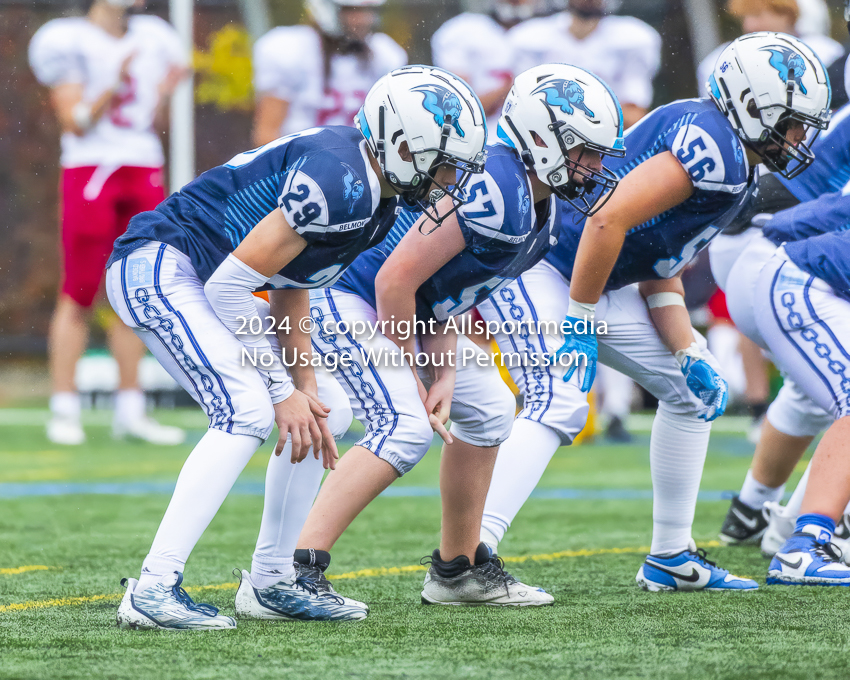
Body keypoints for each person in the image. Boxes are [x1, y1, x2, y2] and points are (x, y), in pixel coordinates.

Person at [108, 65, 488, 629]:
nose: (449, 183)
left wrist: (304, 388)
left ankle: (272, 581)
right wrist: (282, 388)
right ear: (403, 145)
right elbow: (231, 287)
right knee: (247, 409)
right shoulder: (340, 179)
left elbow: (291, 290)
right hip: (162, 265)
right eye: (446, 166)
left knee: (324, 409)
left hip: (203, 279)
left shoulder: (373, 193)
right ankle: (154, 587)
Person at [476, 32, 830, 592]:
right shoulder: (715, 145)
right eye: (792, 120)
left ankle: (671, 556)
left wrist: (686, 346)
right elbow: (605, 221)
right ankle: (470, 556)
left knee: (692, 393)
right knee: (560, 397)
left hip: (596, 274)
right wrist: (579, 319)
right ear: (753, 106)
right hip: (545, 263)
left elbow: (657, 260)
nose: (799, 136)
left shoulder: (733, 161)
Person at [295, 63, 626, 606]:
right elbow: (395, 278)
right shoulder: (496, 185)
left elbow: (450, 291)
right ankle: (298, 568)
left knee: (492, 408)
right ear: (542, 139)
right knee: (404, 424)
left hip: (401, 309)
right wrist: (411, 370)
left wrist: (443, 370)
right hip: (346, 294)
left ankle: (457, 569)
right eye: (583, 151)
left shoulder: (537, 206)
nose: (593, 166)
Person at [28, 0, 189, 446]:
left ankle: (131, 408)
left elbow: (152, 119)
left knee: (135, 291)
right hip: (92, 168)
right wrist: (112, 85)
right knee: (78, 288)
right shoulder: (70, 40)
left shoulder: (154, 35)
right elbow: (75, 123)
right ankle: (64, 407)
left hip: (142, 166)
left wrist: (162, 91)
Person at [712, 192, 850, 585]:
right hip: (787, 275)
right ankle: (805, 544)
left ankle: (776, 523)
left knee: (810, 398)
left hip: (773, 262)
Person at [251, 0, 406, 147]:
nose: (363, 20)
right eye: (352, 10)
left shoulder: (384, 54)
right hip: (300, 165)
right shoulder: (291, 50)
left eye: (367, 10)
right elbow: (266, 134)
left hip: (360, 166)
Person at [508, 0, 661, 128]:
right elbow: (523, 108)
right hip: (543, 139)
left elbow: (634, 115)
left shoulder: (635, 37)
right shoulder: (528, 36)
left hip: (605, 143)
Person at [431, 0, 538, 135]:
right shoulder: (463, 30)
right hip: (477, 140)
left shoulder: (550, 34)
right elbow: (458, 111)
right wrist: (508, 88)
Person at [696, 0, 843, 96]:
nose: (749, 25)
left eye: (757, 15)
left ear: (786, 14)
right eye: (744, 17)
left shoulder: (825, 53)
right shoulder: (720, 61)